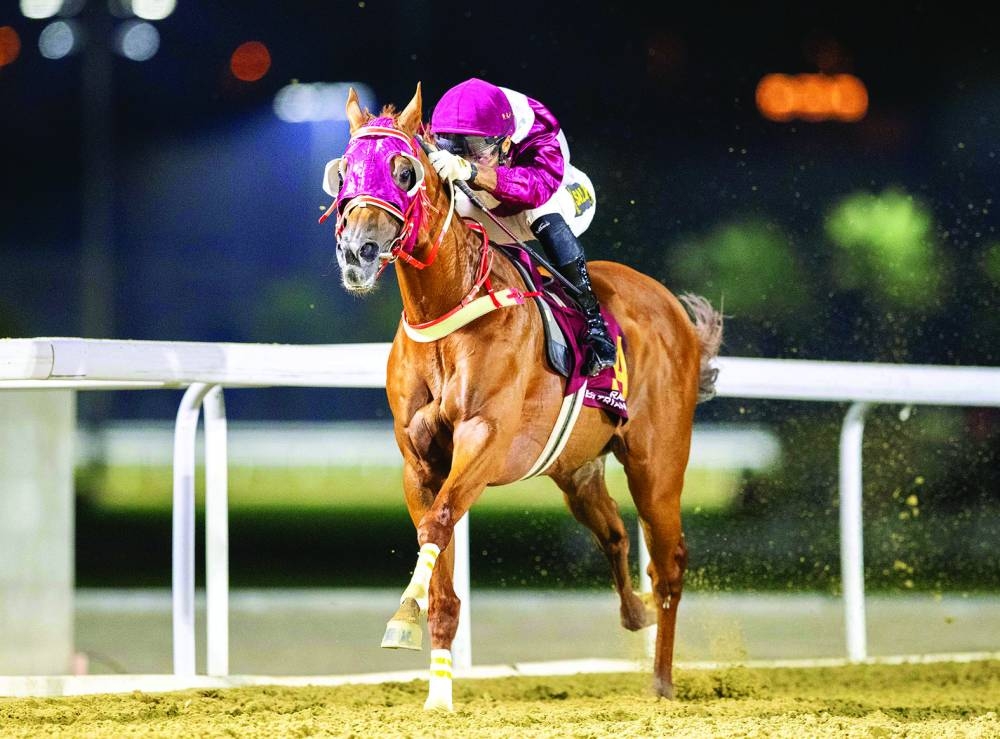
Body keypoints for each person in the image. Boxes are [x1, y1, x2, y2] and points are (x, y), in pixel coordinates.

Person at [427, 78, 617, 376]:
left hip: (557, 197)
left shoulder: (538, 125)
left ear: (505, 141)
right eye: (452, 147)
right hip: (484, 209)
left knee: (543, 208)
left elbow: (537, 189)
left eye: (475, 149)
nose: (461, 156)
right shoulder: (443, 124)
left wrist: (471, 170)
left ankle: (594, 322)